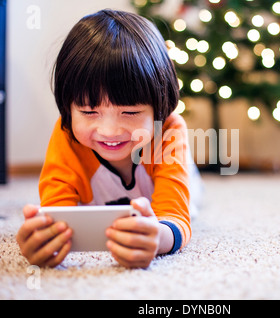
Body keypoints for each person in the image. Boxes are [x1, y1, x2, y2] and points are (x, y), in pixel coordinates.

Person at [16, 9, 201, 269]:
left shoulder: (168, 130)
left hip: (181, 178)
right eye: (90, 112)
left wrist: (159, 237)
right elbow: (56, 213)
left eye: (130, 112)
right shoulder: (67, 135)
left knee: (193, 197)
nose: (110, 131)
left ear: (160, 107)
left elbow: (175, 214)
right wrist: (44, 239)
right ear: (68, 108)